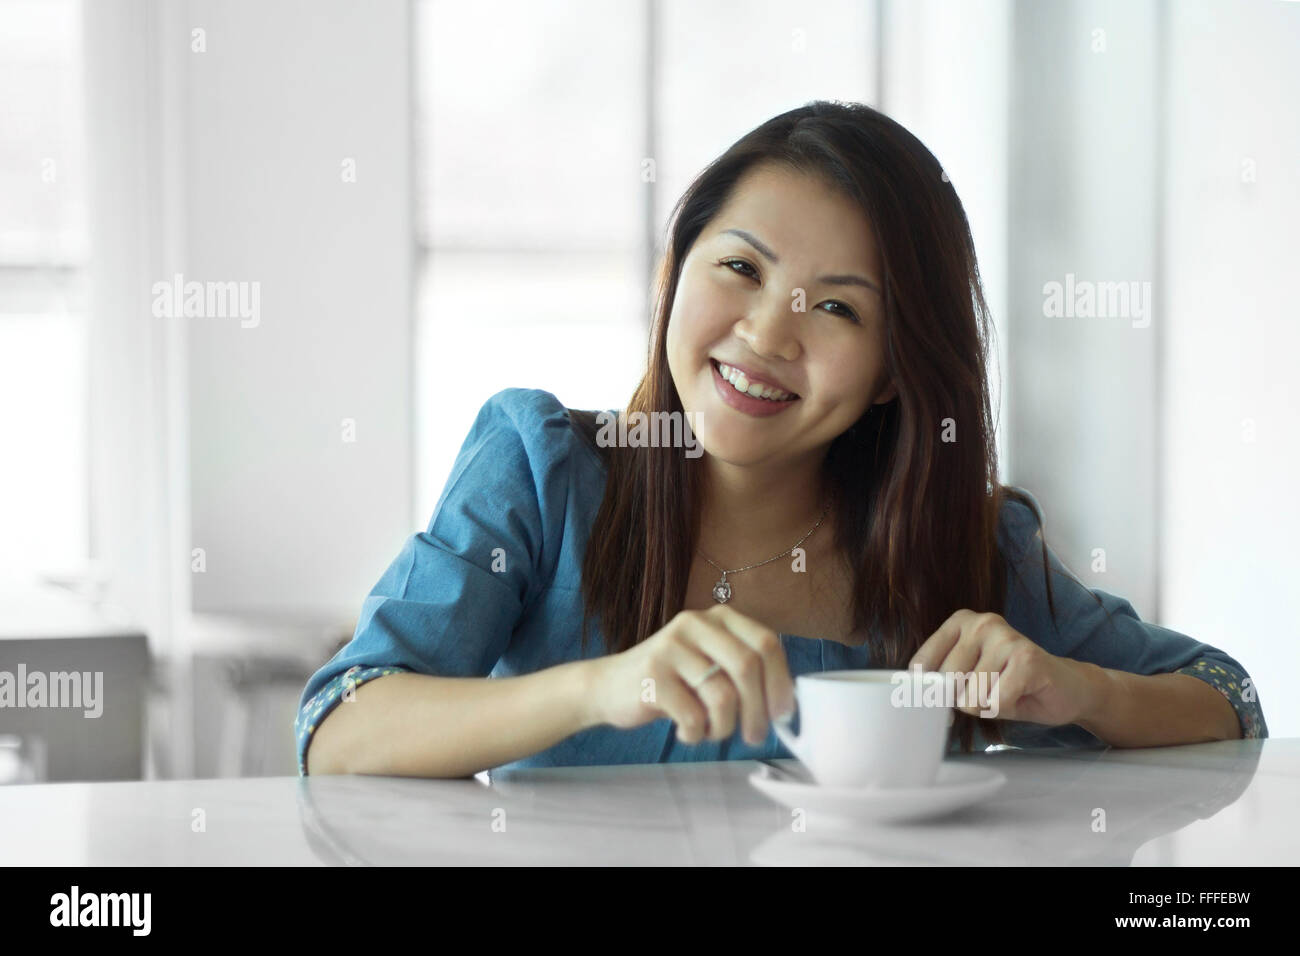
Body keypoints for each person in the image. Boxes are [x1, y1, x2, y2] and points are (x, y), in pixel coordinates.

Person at [296, 101, 1266, 778]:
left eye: (837, 307)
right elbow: (341, 724)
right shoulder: (541, 471)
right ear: (672, 271)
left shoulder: (963, 548)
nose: (766, 333)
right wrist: (601, 686)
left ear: (895, 368)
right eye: (738, 267)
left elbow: (1225, 696)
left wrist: (1078, 689)